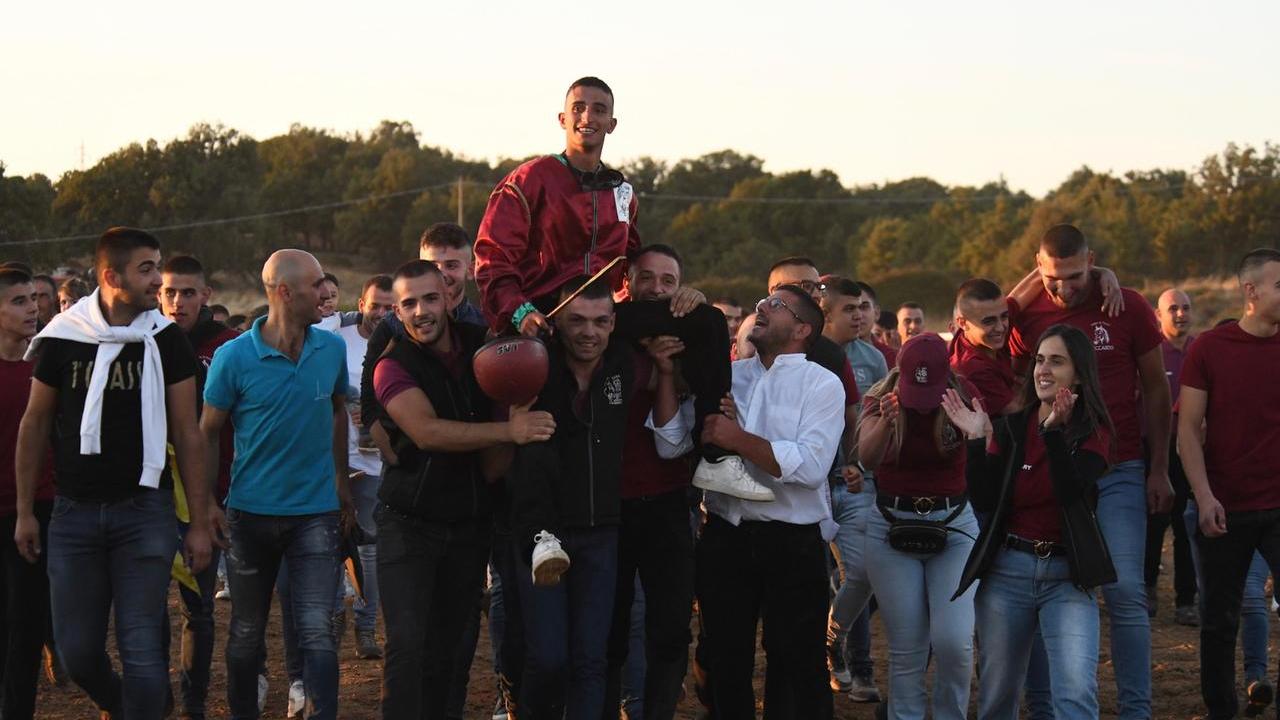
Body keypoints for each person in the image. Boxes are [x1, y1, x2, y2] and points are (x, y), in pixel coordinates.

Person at [474, 77, 746, 502]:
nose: (588, 116)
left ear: (612, 123)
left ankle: (715, 457)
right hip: (543, 315)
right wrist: (519, 311)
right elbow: (492, 259)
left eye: (599, 109)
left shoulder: (623, 192)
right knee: (543, 408)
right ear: (563, 118)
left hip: (605, 315)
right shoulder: (529, 179)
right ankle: (539, 527)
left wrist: (673, 294)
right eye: (579, 108)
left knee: (707, 320)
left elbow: (631, 262)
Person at [14, 227, 212, 719]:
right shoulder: (64, 336)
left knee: (144, 654)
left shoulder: (167, 341)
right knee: (77, 652)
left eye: (158, 266)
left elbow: (188, 433)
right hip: (74, 514)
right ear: (110, 276)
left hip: (145, 511)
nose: (157, 279)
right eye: (146, 269)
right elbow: (35, 423)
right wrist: (24, 512)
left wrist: (201, 519)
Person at [371, 259, 553, 719]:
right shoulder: (390, 365)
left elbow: (493, 467)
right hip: (408, 525)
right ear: (397, 309)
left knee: (454, 650)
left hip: (470, 523)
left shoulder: (486, 350)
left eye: (429, 298)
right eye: (407, 303)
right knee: (407, 645)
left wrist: (514, 410)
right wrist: (508, 432)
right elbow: (428, 433)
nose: (420, 312)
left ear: (450, 298)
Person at [1006, 223, 1171, 720]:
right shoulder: (1026, 314)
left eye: (1076, 275)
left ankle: (1136, 710)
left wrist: (1159, 468)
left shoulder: (1127, 306)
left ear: (1091, 261)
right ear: (1038, 268)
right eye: (1053, 277)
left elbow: (1157, 391)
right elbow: (1017, 389)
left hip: (1118, 465)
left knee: (1124, 589)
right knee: (1040, 579)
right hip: (1052, 468)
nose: (1064, 288)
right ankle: (1040, 706)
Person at [508, 275, 680, 719]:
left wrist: (689, 306)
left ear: (613, 323)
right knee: (547, 658)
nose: (589, 331)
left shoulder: (627, 364)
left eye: (601, 321)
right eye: (578, 320)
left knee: (591, 659)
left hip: (602, 532)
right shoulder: (532, 367)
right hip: (540, 533)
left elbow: (682, 334)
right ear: (559, 321)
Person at [677, 284, 842, 719]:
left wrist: (738, 439)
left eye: (776, 305)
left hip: (793, 542)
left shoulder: (822, 384)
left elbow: (809, 469)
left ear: (803, 328)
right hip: (726, 538)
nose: (761, 308)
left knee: (801, 665)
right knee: (726, 664)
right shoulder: (731, 376)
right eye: (763, 303)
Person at [200, 249, 352, 720]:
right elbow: (207, 431)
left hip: (316, 514)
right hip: (249, 516)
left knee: (317, 631)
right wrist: (207, 501)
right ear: (285, 292)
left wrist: (341, 484)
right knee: (246, 632)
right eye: (315, 286)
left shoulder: (332, 349)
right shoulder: (233, 357)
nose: (325, 293)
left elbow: (337, 411)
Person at [948, 324, 1117, 720]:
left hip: (1067, 577)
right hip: (1008, 572)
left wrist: (1054, 433)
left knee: (1075, 697)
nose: (1043, 369)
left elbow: (1069, 493)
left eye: (1056, 361)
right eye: (1039, 360)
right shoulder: (1012, 425)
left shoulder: (1094, 431)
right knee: (997, 697)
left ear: (1078, 373)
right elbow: (986, 499)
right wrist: (976, 443)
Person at [1177, 248, 1280, 720]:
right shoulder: (1209, 349)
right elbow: (1187, 433)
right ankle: (1222, 709)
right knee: (1218, 622)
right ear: (1251, 292)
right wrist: (1203, 497)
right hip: (1224, 507)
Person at [859, 333, 981, 720]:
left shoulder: (965, 391)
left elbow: (989, 467)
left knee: (955, 642)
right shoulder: (881, 397)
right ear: (900, 373)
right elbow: (865, 458)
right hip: (891, 525)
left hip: (954, 523)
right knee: (907, 648)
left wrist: (978, 432)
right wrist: (886, 424)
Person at [603, 244, 699, 720]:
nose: (657, 289)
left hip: (667, 501)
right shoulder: (602, 332)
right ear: (627, 282)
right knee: (610, 625)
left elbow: (675, 442)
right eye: (647, 278)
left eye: (669, 281)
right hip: (607, 507)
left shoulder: (692, 337)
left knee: (669, 626)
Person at [158, 254, 242, 719]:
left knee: (199, 608)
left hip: (218, 492)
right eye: (169, 291)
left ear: (206, 296)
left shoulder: (229, 346)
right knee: (149, 605)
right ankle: (157, 691)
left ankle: (192, 701)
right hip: (152, 494)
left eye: (187, 292)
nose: (177, 301)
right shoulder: (144, 342)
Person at [818, 276, 883, 703]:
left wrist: (862, 464)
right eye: (849, 309)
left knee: (861, 574)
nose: (859, 315)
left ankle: (836, 644)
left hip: (856, 482)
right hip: (811, 486)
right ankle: (825, 666)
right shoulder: (803, 355)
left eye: (862, 307)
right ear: (825, 314)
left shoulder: (874, 359)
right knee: (818, 580)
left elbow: (874, 420)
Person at [0, 267, 55, 720]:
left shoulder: (46, 366)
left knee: (27, 626)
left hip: (41, 510)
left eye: (33, 299)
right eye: (19, 301)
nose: (32, 308)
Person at [333, 274, 394, 661]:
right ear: (361, 304)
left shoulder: (399, 343)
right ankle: (332, 621)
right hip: (334, 460)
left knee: (370, 552)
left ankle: (366, 628)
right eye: (376, 305)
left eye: (390, 306)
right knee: (328, 546)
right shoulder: (337, 338)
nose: (382, 313)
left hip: (375, 464)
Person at [1144, 288, 1198, 625]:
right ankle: (1146, 588)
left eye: (1186, 308)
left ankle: (1186, 600)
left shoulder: (1200, 352)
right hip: (1154, 450)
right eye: (1173, 308)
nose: (1180, 314)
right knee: (1152, 524)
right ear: (1158, 315)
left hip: (1191, 451)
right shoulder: (1151, 354)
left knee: (1187, 526)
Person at [949, 279, 1017, 416]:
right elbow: (1019, 413)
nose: (1000, 328)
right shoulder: (971, 368)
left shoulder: (984, 337)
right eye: (989, 321)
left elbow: (1021, 295)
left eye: (1004, 317)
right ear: (962, 323)